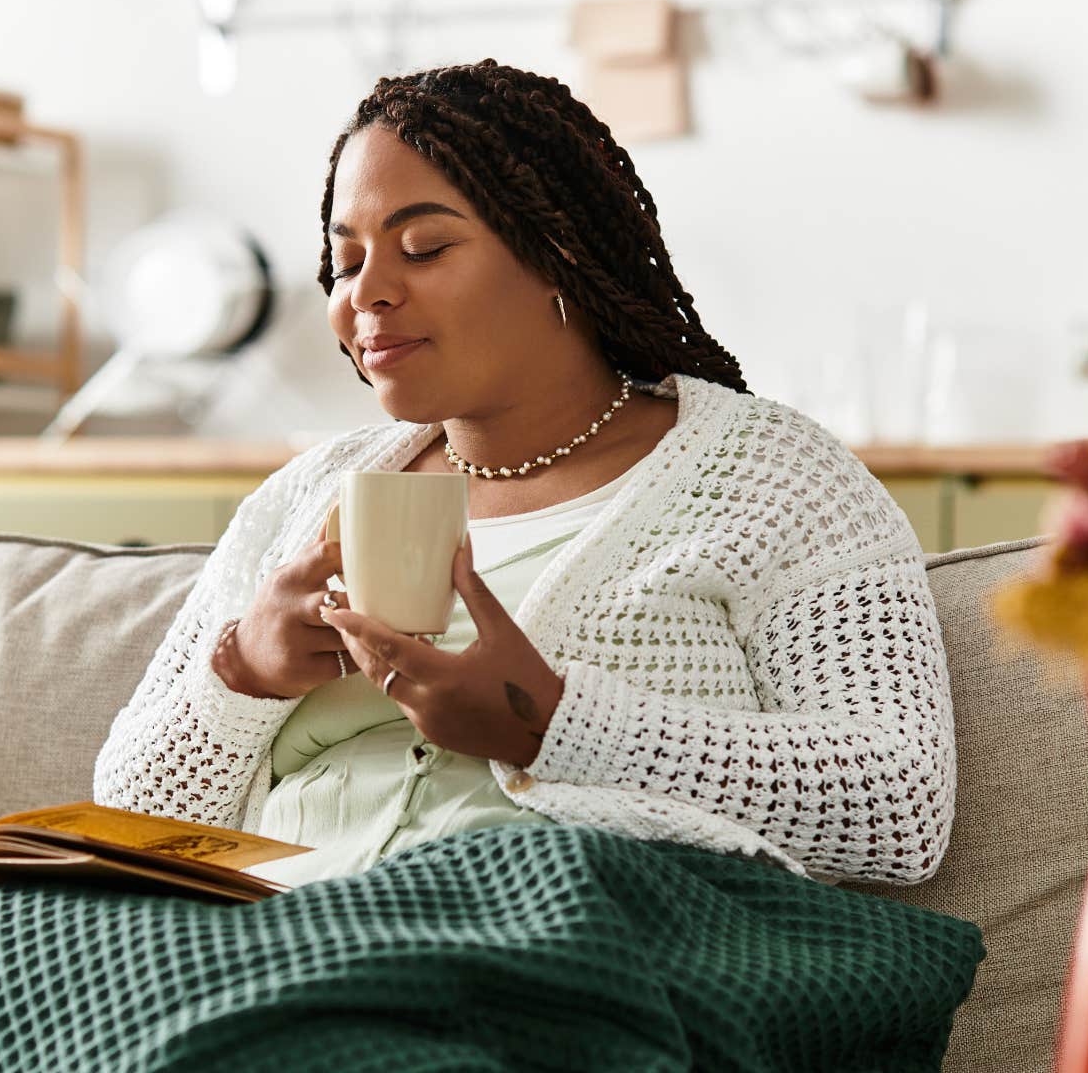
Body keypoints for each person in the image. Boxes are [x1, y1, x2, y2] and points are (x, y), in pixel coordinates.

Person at [94, 59, 955, 888]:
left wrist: (550, 722)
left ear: (557, 255)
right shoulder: (305, 494)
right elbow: (126, 820)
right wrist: (244, 671)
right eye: (346, 262)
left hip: (563, 942)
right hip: (264, 934)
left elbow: (900, 810)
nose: (365, 293)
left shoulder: (773, 477)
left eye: (423, 247)